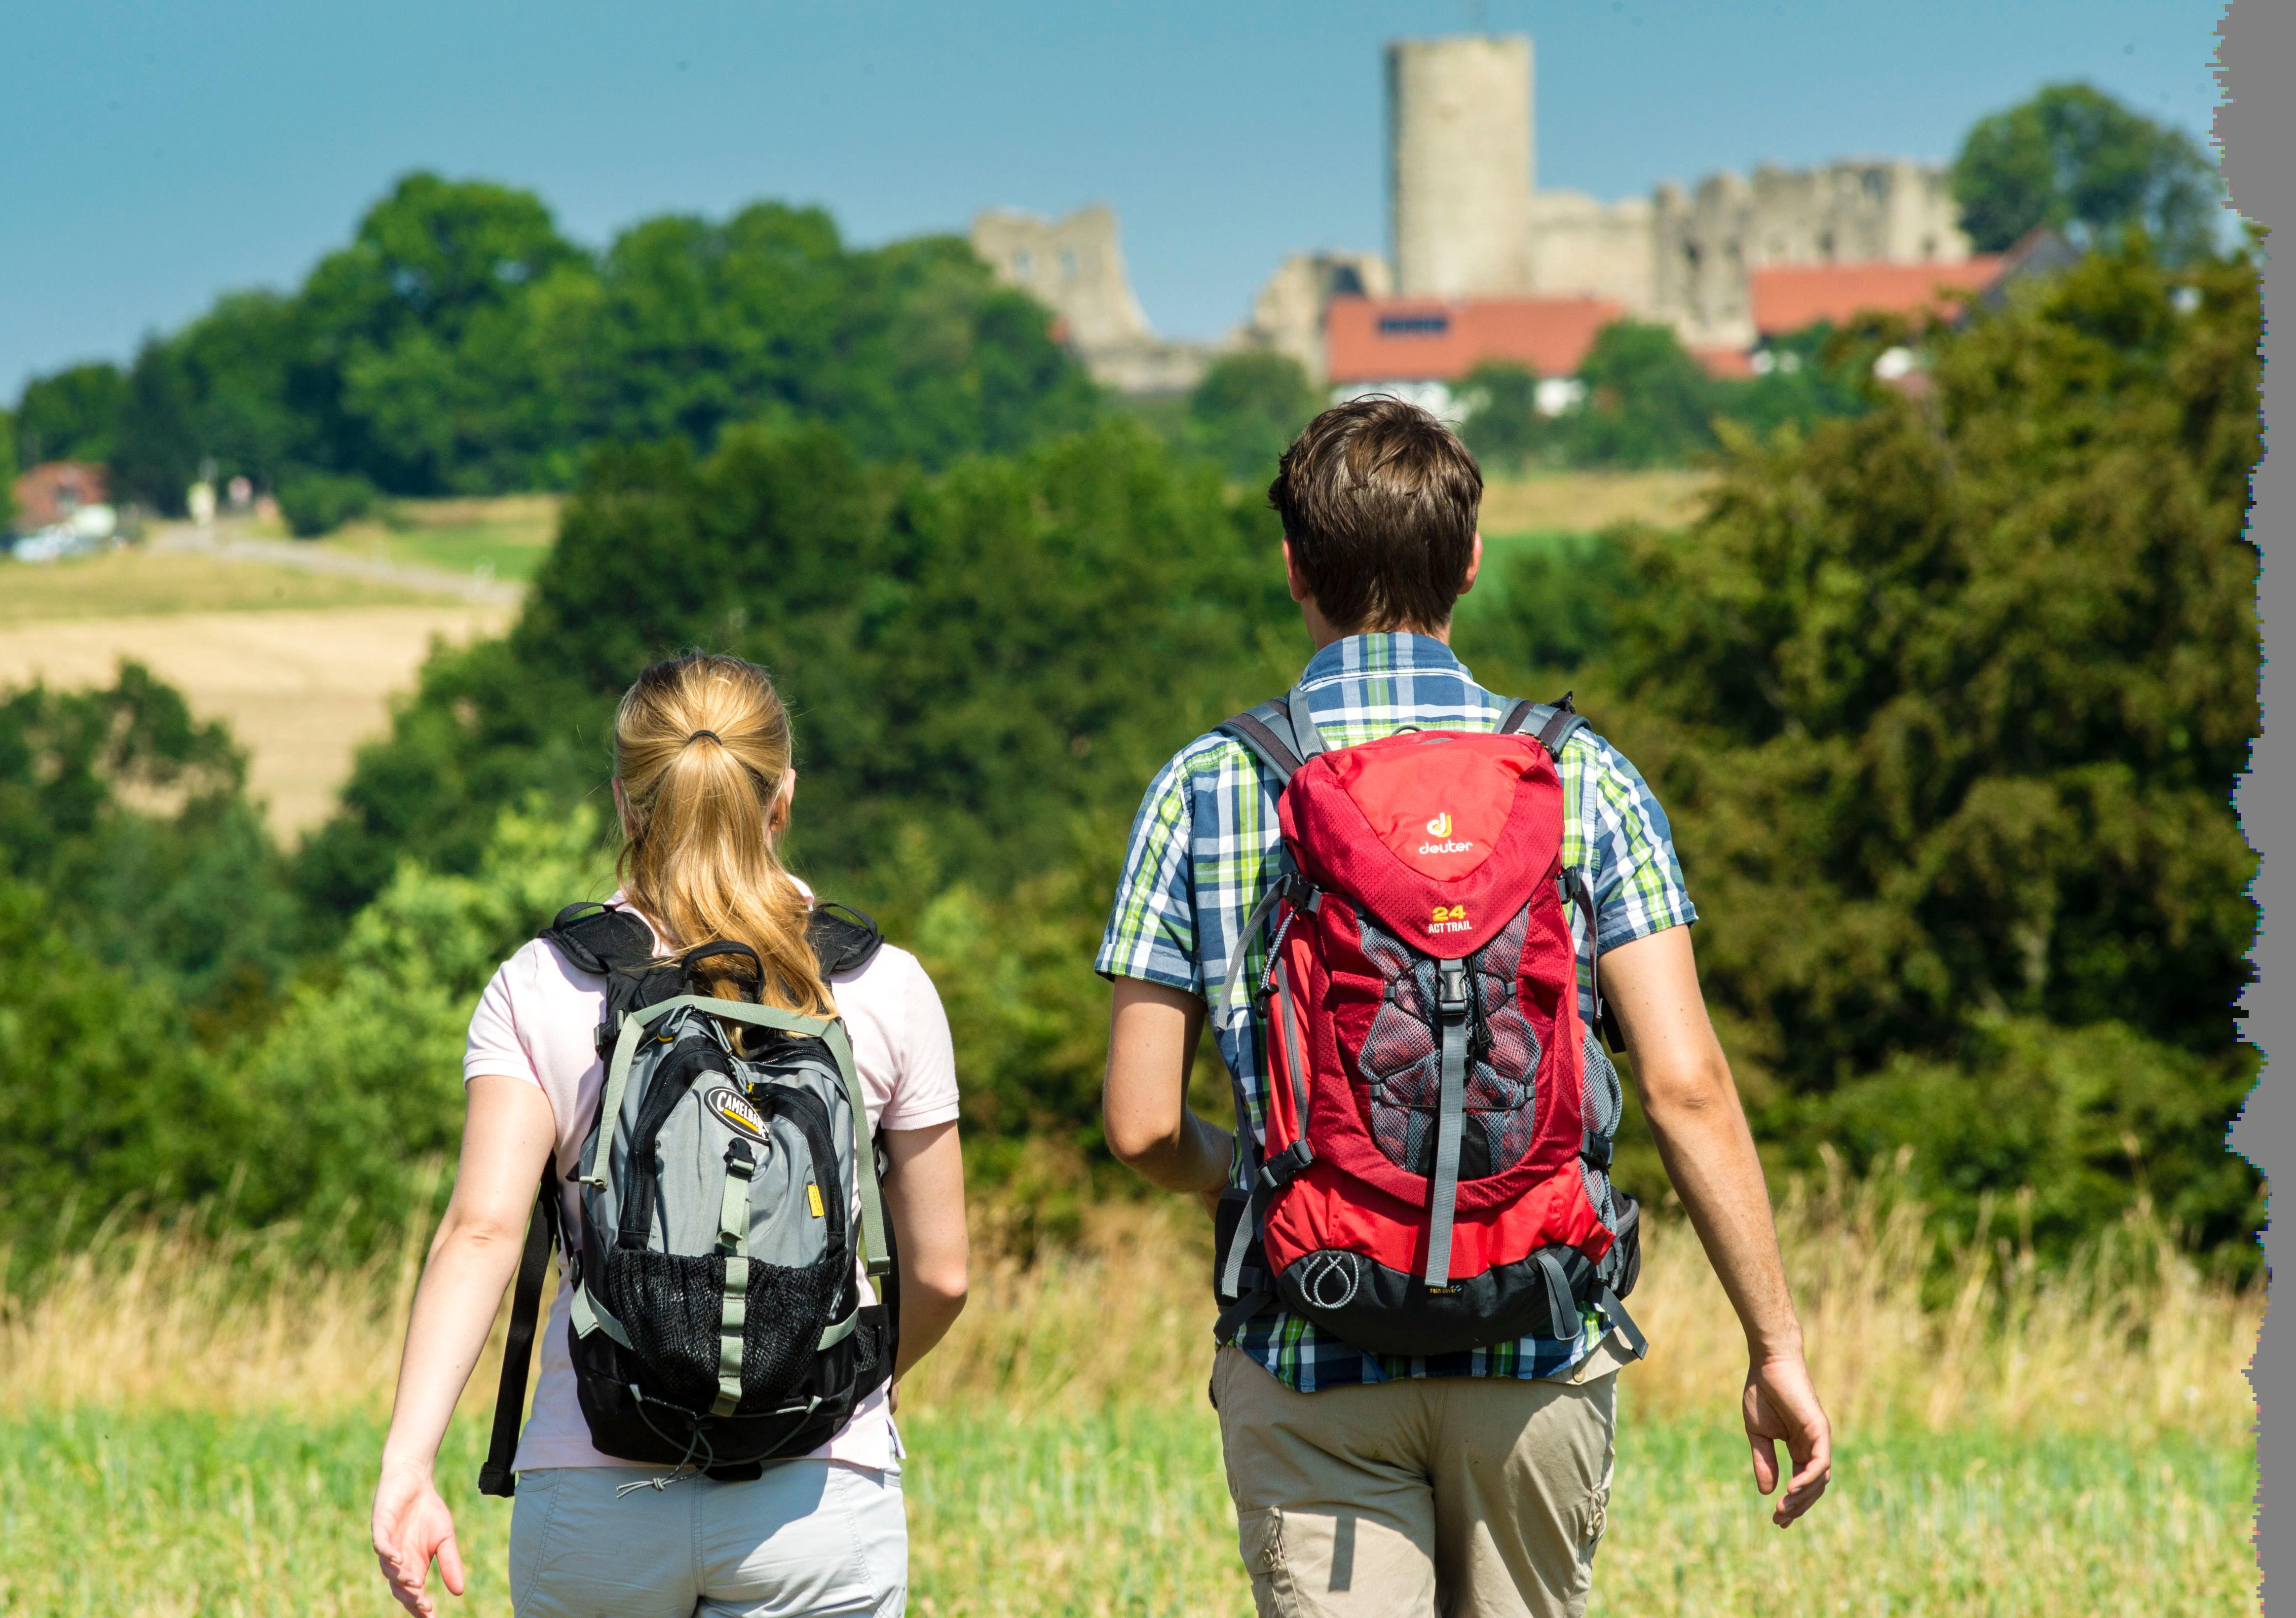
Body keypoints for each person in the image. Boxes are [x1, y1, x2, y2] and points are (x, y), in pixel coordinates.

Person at [1096, 397, 1831, 1618]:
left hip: (1311, 1338)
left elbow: (1136, 1123)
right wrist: (1775, 1345)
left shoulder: (1209, 782)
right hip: (1535, 1337)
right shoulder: (1577, 773)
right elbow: (1686, 1084)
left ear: (1294, 568)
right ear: (1471, 559)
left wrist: (1278, 1175)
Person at [370, 652, 970, 1618]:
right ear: (782, 795)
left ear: (625, 800)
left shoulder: (544, 983)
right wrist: (811, 1376)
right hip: (815, 1493)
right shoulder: (881, 984)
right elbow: (941, 1272)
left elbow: (480, 1233)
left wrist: (409, 1461)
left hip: (596, 1483)